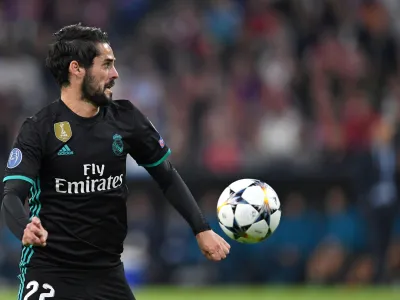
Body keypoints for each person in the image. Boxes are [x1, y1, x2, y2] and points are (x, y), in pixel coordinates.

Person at [1, 24, 230, 300]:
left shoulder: (126, 119)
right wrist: (25, 226)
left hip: (107, 274)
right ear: (76, 69)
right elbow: (12, 195)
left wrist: (201, 228)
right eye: (106, 65)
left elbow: (166, 175)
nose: (115, 74)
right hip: (50, 271)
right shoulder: (39, 129)